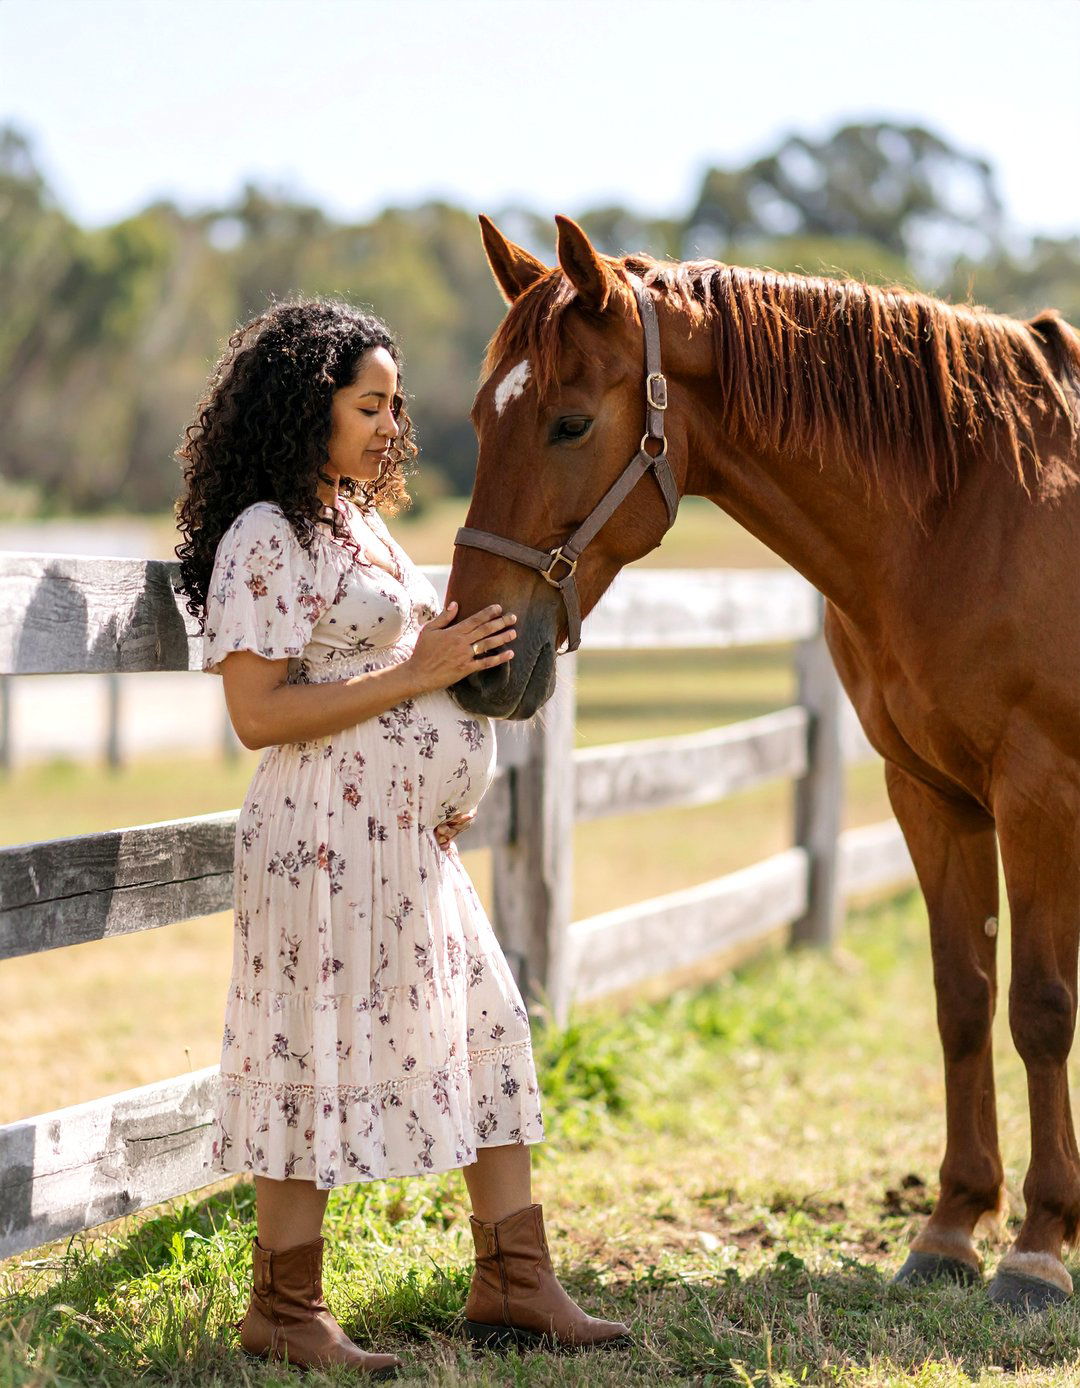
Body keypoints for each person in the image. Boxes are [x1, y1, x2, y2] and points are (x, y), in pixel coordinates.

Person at [173, 299, 629, 1376]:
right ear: (305, 407)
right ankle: (284, 1305)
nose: (389, 425)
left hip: (402, 841)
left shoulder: (354, 522)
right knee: (309, 1047)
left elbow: (392, 664)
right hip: (319, 836)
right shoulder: (263, 535)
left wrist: (446, 734)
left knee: (487, 1021)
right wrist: (420, 676)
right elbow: (260, 714)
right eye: (366, 403)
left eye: (394, 404)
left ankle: (513, 1276)